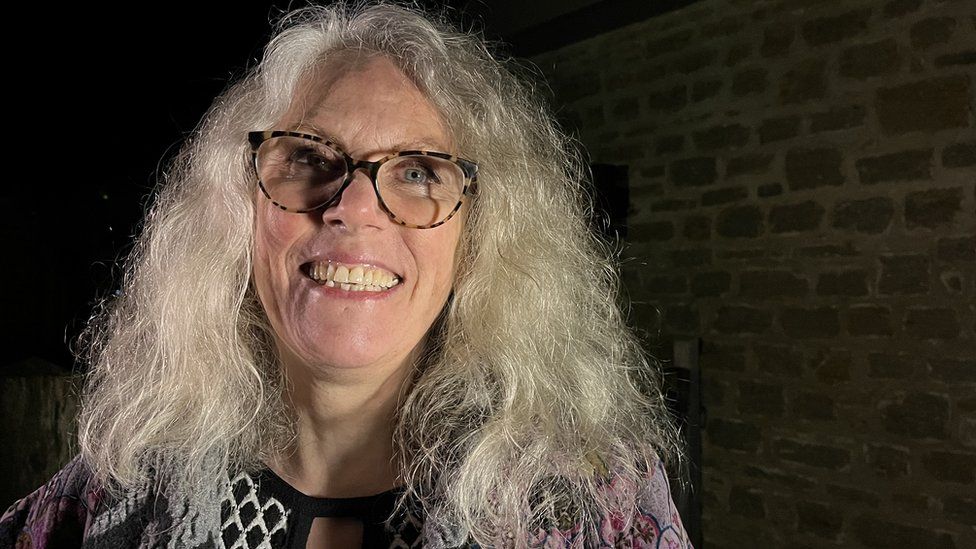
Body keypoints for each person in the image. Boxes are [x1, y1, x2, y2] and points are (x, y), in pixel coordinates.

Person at [0, 3, 690, 547]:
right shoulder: (114, 491)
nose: (355, 209)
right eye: (306, 158)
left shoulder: (597, 504)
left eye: (419, 172)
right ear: (234, 210)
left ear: (477, 236)